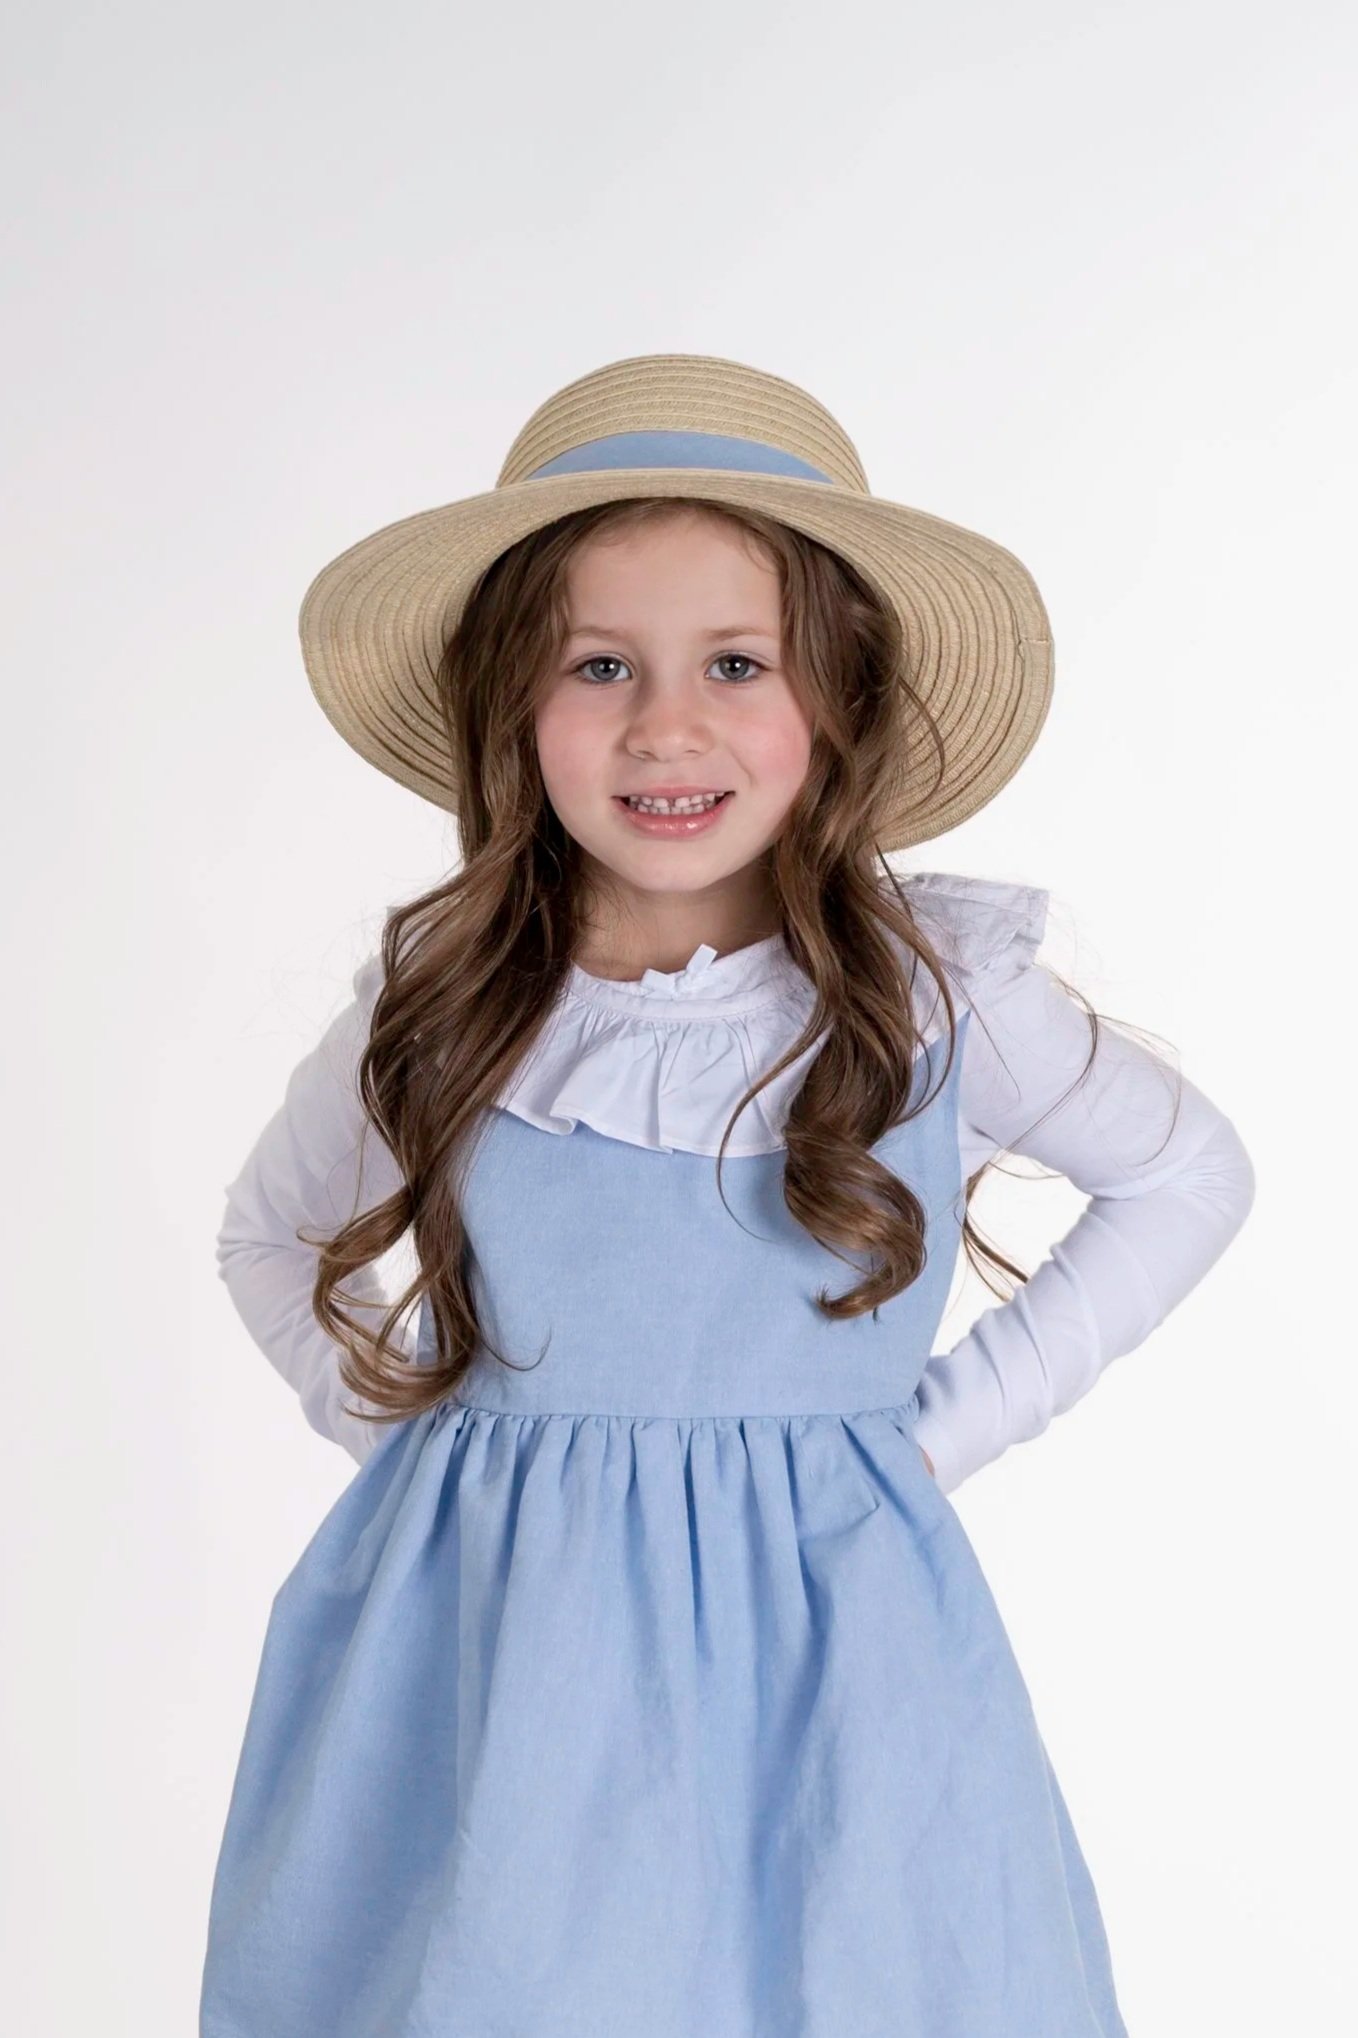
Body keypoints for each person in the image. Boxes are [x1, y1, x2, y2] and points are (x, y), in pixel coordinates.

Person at [198, 352, 1255, 2036]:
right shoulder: (457, 993)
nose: (663, 723)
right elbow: (270, 1236)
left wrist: (933, 1432)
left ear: (832, 700)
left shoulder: (926, 991)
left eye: (734, 662)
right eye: (597, 663)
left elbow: (1189, 1169)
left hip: (840, 1666)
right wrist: (425, 1461)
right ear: (508, 708)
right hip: (500, 1675)